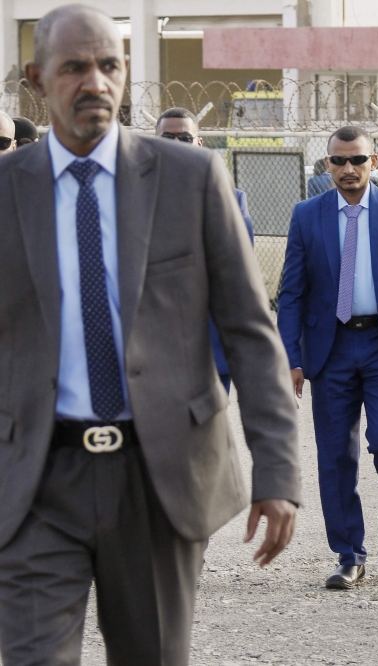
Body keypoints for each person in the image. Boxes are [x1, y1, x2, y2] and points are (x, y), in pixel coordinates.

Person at [0, 6, 299, 664]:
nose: (96, 83)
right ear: (36, 78)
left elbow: (250, 333)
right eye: (75, 67)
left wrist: (276, 470)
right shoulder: (5, 192)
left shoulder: (190, 180)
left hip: (159, 474)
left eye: (109, 66)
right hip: (35, 481)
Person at [278, 125, 378, 590]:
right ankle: (348, 553)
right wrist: (291, 358)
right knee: (335, 456)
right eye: (339, 161)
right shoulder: (307, 216)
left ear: (373, 162)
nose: (348, 169)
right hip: (331, 348)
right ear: (327, 165)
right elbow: (292, 293)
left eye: (357, 160)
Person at [156, 107, 255, 393]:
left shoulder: (231, 200)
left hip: (210, 352)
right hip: (149, 352)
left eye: (185, 138)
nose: (176, 145)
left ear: (199, 144)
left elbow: (239, 279)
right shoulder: (130, 198)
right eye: (167, 138)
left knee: (207, 436)